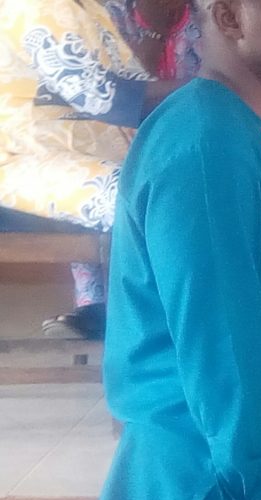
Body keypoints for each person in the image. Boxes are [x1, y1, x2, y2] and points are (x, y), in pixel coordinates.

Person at [93, 0, 261, 500]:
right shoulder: (206, 143)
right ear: (231, 17)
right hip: (223, 489)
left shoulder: (239, 130)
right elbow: (220, 355)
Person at [0, 0, 185, 339]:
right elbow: (102, 96)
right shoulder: (33, 6)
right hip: (17, 161)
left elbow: (134, 83)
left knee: (173, 178)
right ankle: (142, 334)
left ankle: (131, 320)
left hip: (73, 155)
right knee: (134, 194)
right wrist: (214, 85)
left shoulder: (89, 9)